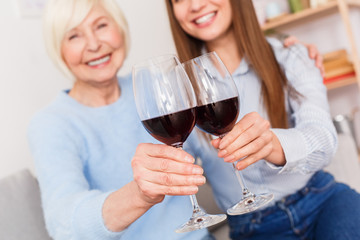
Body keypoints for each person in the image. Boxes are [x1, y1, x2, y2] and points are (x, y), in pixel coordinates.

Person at [165, 0, 360, 239]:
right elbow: (176, 160)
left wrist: (272, 143)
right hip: (252, 227)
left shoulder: (291, 55)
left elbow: (324, 138)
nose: (195, 5)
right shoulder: (179, 92)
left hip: (323, 201)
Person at [27, 0, 212, 239]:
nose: (94, 44)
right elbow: (63, 224)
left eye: (101, 25)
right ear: (58, 50)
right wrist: (139, 195)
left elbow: (210, 150)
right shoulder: (51, 124)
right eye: (74, 36)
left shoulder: (152, 89)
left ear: (120, 28)